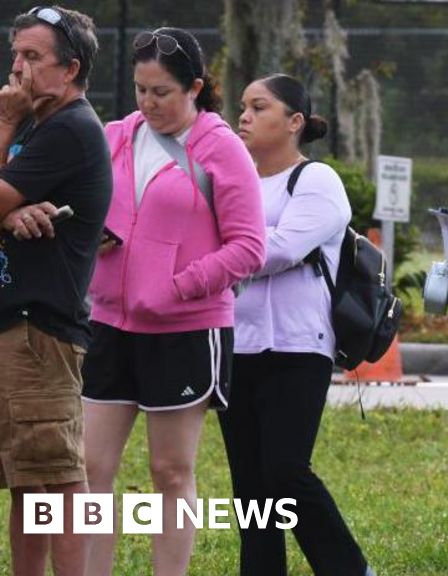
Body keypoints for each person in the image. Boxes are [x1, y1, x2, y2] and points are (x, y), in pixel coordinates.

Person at [80, 27, 265, 575]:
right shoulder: (116, 136)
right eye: (140, 90)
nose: (148, 103)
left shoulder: (221, 148)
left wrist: (178, 285)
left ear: (194, 88)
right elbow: (89, 206)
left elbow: (249, 247)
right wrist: (94, 235)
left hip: (186, 328)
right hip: (109, 323)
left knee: (170, 471)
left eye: (161, 91)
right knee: (91, 468)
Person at [218, 73, 376, 576]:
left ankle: (350, 570)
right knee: (249, 487)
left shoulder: (317, 181)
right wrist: (236, 246)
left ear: (294, 122)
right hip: (236, 345)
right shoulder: (231, 181)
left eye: (259, 107)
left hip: (298, 347)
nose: (244, 116)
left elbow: (282, 250)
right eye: (243, 106)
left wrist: (226, 248)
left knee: (285, 471)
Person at [0, 6, 109, 576]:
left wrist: (4, 125)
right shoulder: (38, 124)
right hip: (14, 327)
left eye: (32, 56)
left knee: (60, 480)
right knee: (28, 480)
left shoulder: (69, 128)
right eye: (15, 54)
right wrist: (10, 213)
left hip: (39, 330)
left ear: (69, 70)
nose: (17, 68)